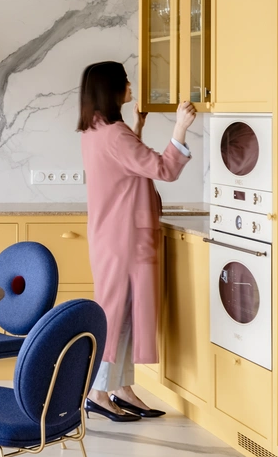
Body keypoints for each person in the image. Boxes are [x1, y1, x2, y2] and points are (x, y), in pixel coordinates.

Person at [78, 62, 196, 421]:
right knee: (118, 316)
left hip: (112, 237)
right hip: (125, 239)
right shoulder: (115, 134)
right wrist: (180, 127)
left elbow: (127, 163)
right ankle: (98, 393)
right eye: (125, 81)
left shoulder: (96, 129)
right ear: (112, 89)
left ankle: (122, 388)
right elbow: (164, 169)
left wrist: (138, 127)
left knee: (126, 313)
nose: (131, 85)